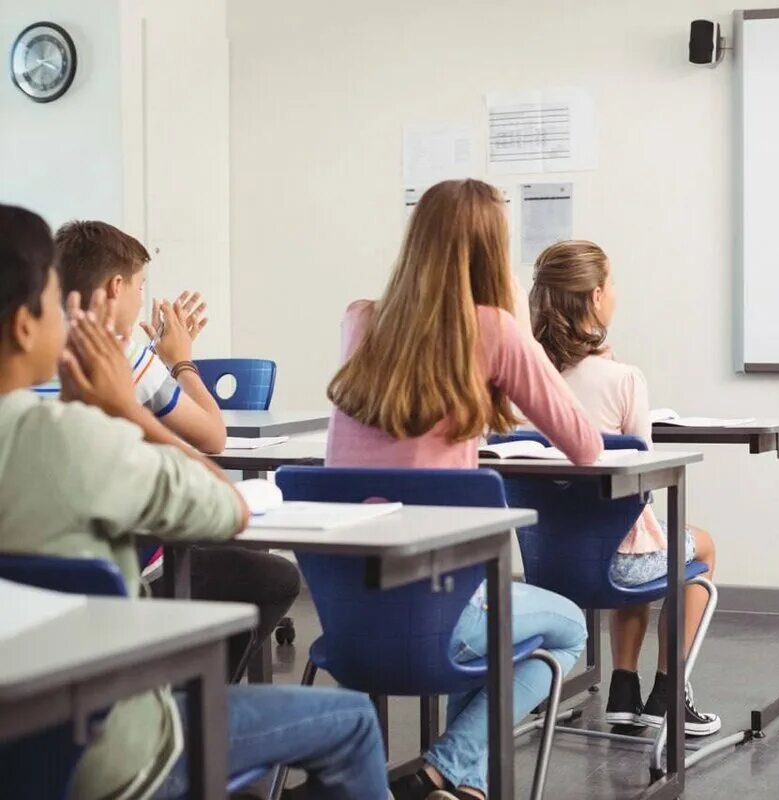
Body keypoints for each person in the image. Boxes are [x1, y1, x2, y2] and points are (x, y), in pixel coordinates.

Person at [0, 202, 389, 800]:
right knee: (355, 720)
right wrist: (121, 410)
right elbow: (226, 501)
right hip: (103, 754)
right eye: (55, 300)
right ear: (27, 325)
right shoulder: (81, 434)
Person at [325, 179, 603, 799]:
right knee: (566, 628)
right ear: (490, 251)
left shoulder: (359, 319)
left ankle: (459, 783)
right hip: (443, 615)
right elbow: (584, 443)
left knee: (493, 612)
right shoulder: (495, 330)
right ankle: (446, 769)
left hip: (347, 619)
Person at [53, 219, 301, 679]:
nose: (141, 299)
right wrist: (180, 359)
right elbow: (212, 437)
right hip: (128, 566)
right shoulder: (120, 352)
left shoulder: (38, 347)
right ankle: (199, 703)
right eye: (141, 287)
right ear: (115, 286)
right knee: (271, 574)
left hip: (49, 577)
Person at [529, 239, 721, 736]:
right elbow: (641, 474)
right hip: (615, 567)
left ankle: (621, 688)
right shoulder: (622, 379)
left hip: (545, 562)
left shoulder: (519, 378)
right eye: (611, 284)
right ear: (595, 296)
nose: (615, 293)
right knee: (693, 543)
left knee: (638, 529)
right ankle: (667, 691)